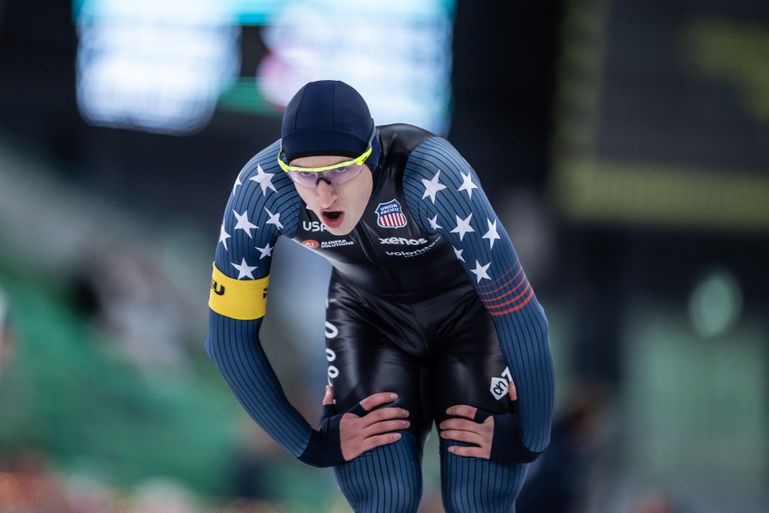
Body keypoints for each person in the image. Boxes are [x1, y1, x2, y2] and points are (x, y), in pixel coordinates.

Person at [206, 80, 554, 513]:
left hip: (468, 318)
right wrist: (310, 445)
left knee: (476, 497)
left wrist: (527, 440)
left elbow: (523, 318)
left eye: (342, 170)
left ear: (372, 156)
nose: (324, 194)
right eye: (306, 177)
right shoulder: (262, 191)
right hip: (368, 319)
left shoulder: (432, 177)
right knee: (385, 496)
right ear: (285, 169)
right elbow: (227, 340)